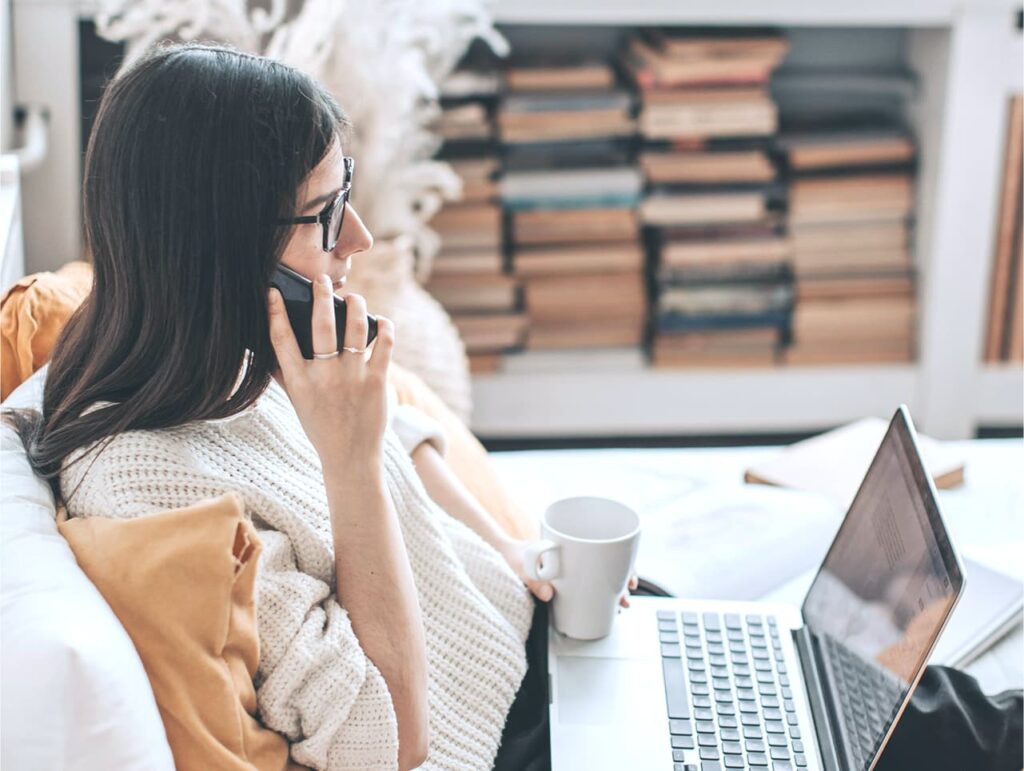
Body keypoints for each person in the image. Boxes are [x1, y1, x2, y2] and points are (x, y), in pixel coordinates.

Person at [7, 42, 648, 769]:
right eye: (327, 212)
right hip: (499, 742)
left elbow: (400, 430)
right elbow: (393, 744)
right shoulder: (149, 488)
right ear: (224, 249)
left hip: (527, 641)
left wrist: (509, 549)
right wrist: (348, 460)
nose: (361, 239)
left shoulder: (226, 351)